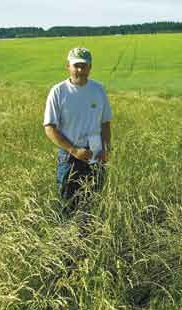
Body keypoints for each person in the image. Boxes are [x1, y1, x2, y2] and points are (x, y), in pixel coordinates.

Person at [44, 47, 112, 214]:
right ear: (68, 66)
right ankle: (67, 239)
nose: (80, 70)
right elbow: (49, 128)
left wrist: (106, 149)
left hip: (96, 155)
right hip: (69, 157)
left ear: (90, 67)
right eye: (76, 66)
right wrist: (74, 150)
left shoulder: (98, 90)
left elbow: (105, 123)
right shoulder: (58, 92)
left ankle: (89, 237)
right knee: (68, 204)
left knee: (93, 203)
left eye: (84, 66)